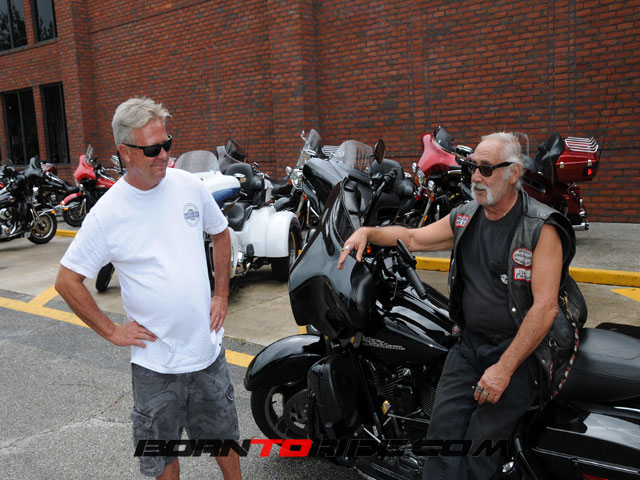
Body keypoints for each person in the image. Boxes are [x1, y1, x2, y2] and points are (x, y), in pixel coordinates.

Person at [338, 132, 576, 479]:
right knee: (441, 440)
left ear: (513, 172)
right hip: (469, 345)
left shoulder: (540, 227)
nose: (476, 177)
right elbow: (413, 237)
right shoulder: (466, 217)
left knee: (479, 448)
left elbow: (545, 309)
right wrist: (368, 233)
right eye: (471, 168)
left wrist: (503, 369)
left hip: (519, 353)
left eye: (486, 169)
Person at [55, 97, 241, 480]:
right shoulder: (108, 213)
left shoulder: (189, 186)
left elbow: (221, 233)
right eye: (153, 149)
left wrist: (221, 294)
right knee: (162, 456)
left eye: (167, 143)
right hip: (155, 366)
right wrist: (111, 331)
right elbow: (67, 281)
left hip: (205, 352)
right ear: (125, 152)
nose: (164, 155)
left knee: (224, 441)